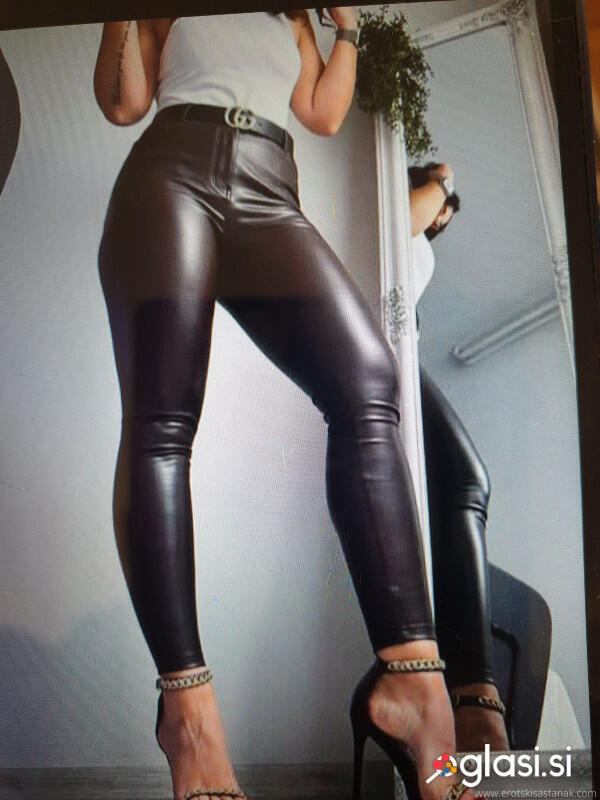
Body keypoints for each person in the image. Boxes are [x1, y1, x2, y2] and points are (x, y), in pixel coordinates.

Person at [94, 12, 474, 800]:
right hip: (172, 171)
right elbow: (123, 103)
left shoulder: (294, 20)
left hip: (270, 187)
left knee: (368, 383)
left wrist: (347, 30)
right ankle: (189, 719)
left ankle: (412, 685)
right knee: (162, 423)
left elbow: (323, 114)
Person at [408, 162, 510, 753]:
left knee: (462, 484)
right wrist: (442, 180)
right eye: (444, 205)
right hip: (387, 345)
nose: (445, 214)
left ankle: (466, 700)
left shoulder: (417, 245)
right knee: (466, 480)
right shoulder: (398, 212)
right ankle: (473, 701)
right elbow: (405, 218)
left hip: (398, 343)